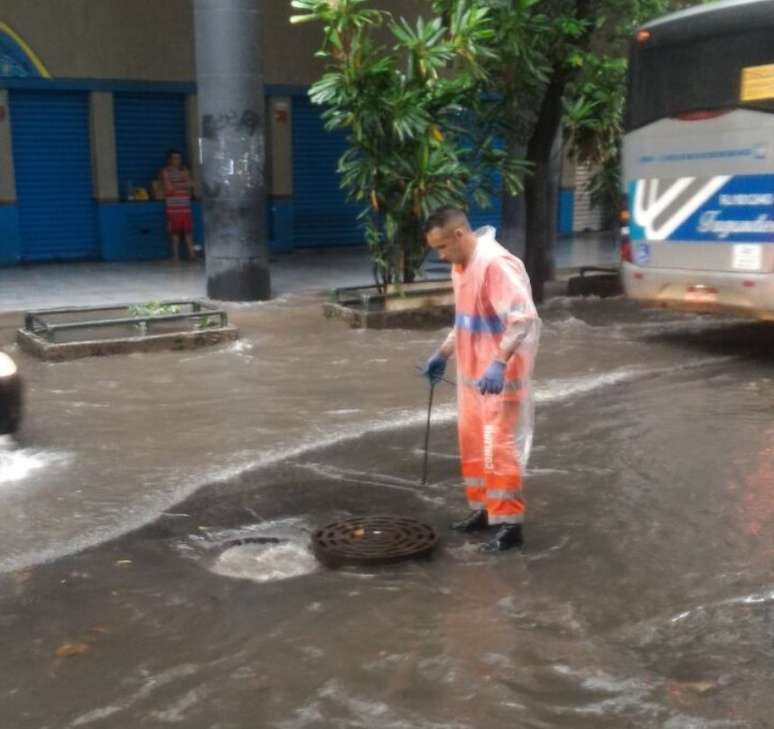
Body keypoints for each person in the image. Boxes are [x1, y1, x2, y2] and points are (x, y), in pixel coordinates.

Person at [422, 207, 540, 553]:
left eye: (443, 247)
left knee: (498, 447)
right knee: (473, 442)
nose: (442, 256)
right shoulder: (463, 266)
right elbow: (466, 318)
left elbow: (522, 318)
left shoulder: (495, 264)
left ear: (460, 234)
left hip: (499, 376)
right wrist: (443, 353)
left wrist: (499, 362)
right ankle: (484, 509)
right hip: (473, 374)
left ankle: (509, 524)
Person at [161, 149, 196, 261]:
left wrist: (177, 185)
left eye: (179, 158)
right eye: (175, 158)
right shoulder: (166, 171)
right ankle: (175, 256)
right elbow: (168, 188)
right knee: (174, 233)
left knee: (188, 232)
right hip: (173, 207)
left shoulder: (184, 170)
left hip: (185, 207)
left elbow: (191, 184)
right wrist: (183, 184)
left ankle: (192, 254)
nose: (177, 160)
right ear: (169, 160)